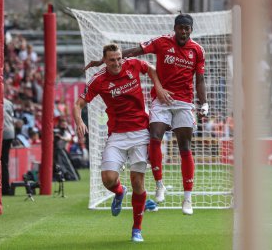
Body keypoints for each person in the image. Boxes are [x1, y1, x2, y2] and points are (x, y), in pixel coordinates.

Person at [85, 13, 208, 215]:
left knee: (185, 146)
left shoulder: (197, 50)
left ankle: (188, 199)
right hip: (161, 100)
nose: (184, 31)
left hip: (184, 102)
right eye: (181, 28)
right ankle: (160, 185)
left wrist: (204, 104)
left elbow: (200, 80)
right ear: (175, 28)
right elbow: (136, 50)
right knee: (154, 136)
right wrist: (104, 61)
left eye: (187, 29)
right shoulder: (161, 42)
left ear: (191, 30)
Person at [74, 43, 169, 242]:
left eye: (119, 58)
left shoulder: (133, 64)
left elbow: (151, 69)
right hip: (117, 135)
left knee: (138, 182)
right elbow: (78, 104)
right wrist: (79, 120)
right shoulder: (98, 80)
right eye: (112, 60)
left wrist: (158, 87)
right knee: (108, 179)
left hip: (140, 133)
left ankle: (136, 229)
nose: (117, 63)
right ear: (105, 61)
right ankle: (119, 191)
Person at [1, 98, 15, 195]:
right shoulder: (9, 102)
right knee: (4, 162)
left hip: (0, 133)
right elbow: (12, 118)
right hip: (10, 132)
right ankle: (6, 187)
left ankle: (1, 187)